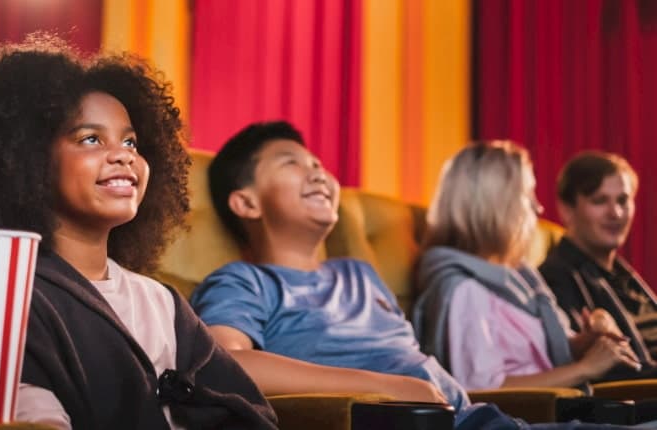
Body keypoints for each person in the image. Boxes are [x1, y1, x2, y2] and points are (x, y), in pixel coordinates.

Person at [0, 35, 276, 429]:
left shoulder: (161, 301)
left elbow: (245, 411)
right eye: (90, 139)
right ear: (25, 158)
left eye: (131, 141)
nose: (123, 155)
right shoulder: (3, 297)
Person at [189, 122, 639, 429]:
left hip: (473, 416)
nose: (318, 172)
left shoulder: (359, 274)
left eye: (319, 164)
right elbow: (226, 364)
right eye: (291, 162)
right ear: (245, 202)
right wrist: (388, 388)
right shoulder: (245, 281)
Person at [413, 141, 641, 393]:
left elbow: (539, 353)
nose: (538, 207)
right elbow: (481, 389)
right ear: (494, 207)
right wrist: (585, 369)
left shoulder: (518, 275)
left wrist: (584, 344)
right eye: (526, 195)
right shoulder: (464, 289)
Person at [539, 151, 657, 379]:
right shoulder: (556, 278)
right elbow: (608, 372)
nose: (615, 213)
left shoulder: (624, 276)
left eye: (623, 200)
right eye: (600, 201)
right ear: (567, 209)